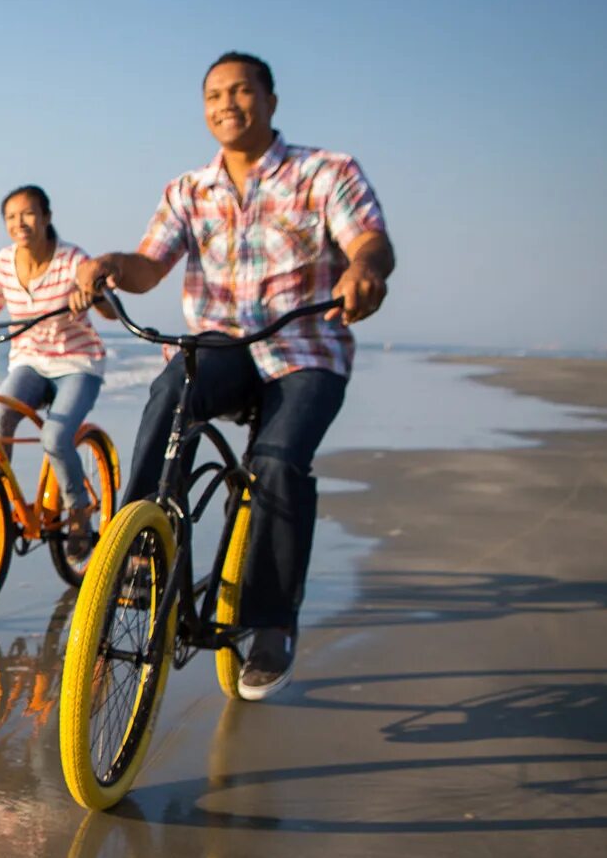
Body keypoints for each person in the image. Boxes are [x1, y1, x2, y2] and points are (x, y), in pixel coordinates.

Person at [72, 52, 395, 699]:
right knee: (172, 396)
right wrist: (110, 264)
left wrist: (365, 273)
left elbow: (370, 242)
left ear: (271, 100)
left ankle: (271, 622)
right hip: (222, 344)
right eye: (214, 94)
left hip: (307, 350)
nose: (227, 104)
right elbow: (149, 264)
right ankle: (139, 555)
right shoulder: (189, 190)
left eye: (241, 90)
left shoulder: (325, 172)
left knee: (276, 462)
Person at [0, 185, 107, 544]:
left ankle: (78, 510)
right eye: (11, 217)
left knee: (54, 435)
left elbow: (105, 302)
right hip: (29, 362)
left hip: (77, 363)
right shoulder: (5, 260)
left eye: (28, 213)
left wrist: (91, 296)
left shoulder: (72, 260)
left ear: (47, 217)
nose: (20, 223)